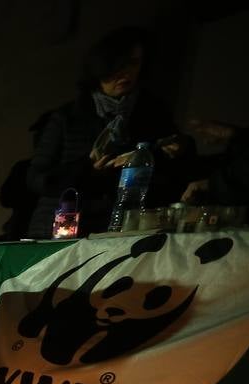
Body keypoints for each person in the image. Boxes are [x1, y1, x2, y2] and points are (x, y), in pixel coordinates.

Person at [25, 27, 186, 238]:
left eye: (134, 63)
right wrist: (87, 168)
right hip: (63, 230)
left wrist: (169, 153)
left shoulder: (153, 114)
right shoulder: (67, 117)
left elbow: (172, 176)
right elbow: (36, 178)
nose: (127, 73)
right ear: (102, 67)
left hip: (124, 230)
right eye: (120, 64)